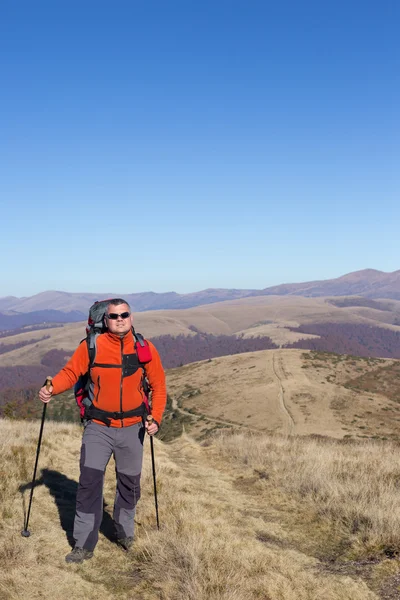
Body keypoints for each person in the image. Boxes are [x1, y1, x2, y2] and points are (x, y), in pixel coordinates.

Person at [39, 298, 166, 564]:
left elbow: (159, 386)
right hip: (98, 427)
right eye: (114, 316)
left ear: (131, 317)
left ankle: (124, 532)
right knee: (88, 484)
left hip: (134, 427)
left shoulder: (145, 348)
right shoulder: (91, 346)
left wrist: (156, 418)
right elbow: (71, 373)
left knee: (130, 485)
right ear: (105, 320)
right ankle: (83, 544)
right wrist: (51, 388)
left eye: (125, 314)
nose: (120, 319)